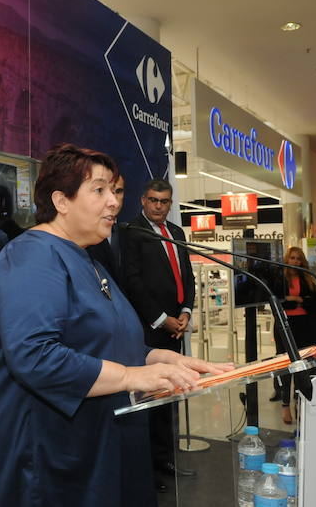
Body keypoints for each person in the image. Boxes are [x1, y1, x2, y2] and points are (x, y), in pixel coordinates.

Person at [0, 144, 230, 507]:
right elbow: (35, 356)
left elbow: (103, 340)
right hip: (40, 454)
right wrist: (131, 377)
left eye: (116, 191)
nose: (114, 203)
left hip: (90, 444)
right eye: (99, 190)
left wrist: (160, 359)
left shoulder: (91, 261)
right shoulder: (32, 255)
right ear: (61, 201)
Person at [123, 178, 199, 482]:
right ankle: (146, 469)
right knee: (148, 401)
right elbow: (132, 281)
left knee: (169, 398)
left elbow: (188, 277)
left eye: (164, 201)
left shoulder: (177, 232)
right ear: (143, 200)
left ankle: (165, 459)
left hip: (175, 328)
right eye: (153, 200)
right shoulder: (131, 232)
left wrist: (185, 312)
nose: (158, 206)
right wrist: (160, 318)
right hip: (149, 331)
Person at [273, 247, 316, 424]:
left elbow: (312, 300)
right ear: (287, 258)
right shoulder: (280, 277)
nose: (295, 261)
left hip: (304, 325)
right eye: (292, 257)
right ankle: (285, 404)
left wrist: (295, 300)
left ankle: (298, 400)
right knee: (285, 365)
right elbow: (279, 301)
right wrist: (295, 301)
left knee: (301, 365)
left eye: (299, 258)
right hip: (284, 325)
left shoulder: (306, 277)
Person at [87, 174, 126, 288]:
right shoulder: (83, 234)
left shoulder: (128, 231)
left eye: (118, 191)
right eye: (102, 191)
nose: (114, 199)